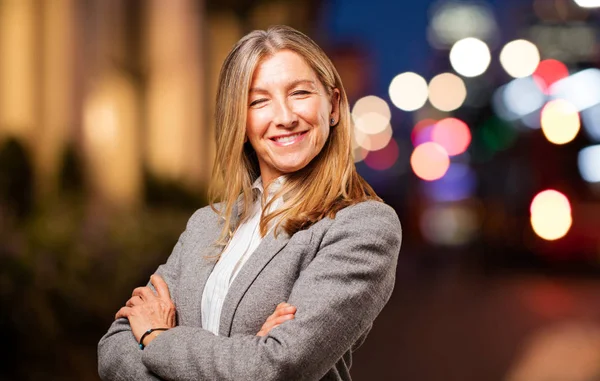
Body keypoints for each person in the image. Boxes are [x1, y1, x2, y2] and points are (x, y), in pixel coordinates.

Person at [98, 25, 402, 381]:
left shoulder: (362, 226)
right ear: (239, 120)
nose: (285, 116)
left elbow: (274, 367)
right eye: (259, 101)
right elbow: (113, 350)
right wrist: (244, 354)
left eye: (300, 93)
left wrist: (156, 338)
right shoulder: (206, 224)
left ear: (333, 106)